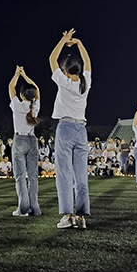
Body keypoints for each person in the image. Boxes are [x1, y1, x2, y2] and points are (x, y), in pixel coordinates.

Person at [49, 28, 92, 230]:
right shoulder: (85, 82)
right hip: (81, 130)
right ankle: (82, 217)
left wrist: (63, 40)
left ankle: (67, 216)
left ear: (65, 70)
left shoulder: (64, 82)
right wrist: (79, 43)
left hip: (65, 128)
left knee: (65, 174)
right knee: (81, 176)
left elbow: (52, 58)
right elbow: (87, 61)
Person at [8, 66, 42, 217]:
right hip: (32, 139)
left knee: (20, 176)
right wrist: (26, 75)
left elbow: (11, 86)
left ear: (22, 95)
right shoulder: (35, 106)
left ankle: (23, 208)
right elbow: (37, 89)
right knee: (33, 176)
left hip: (20, 140)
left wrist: (17, 74)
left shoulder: (17, 105)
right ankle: (35, 208)